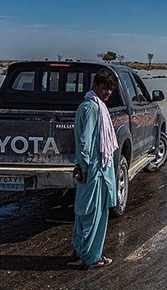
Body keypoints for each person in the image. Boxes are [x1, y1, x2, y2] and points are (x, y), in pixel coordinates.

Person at [72, 68, 119, 270]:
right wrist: (84, 167)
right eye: (105, 88)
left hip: (93, 168)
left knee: (85, 212)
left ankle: (80, 248)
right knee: (94, 214)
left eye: (110, 89)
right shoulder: (92, 108)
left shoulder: (92, 105)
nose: (107, 92)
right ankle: (91, 257)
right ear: (95, 86)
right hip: (94, 170)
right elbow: (85, 142)